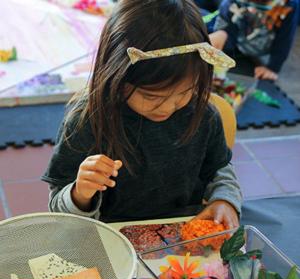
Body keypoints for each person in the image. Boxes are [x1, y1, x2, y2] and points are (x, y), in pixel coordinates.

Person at [42, 0, 242, 227]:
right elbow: (58, 210)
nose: (167, 108)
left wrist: (225, 200)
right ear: (116, 77)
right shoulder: (86, 120)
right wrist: (80, 194)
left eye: (185, 92)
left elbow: (219, 168)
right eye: (151, 97)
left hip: (181, 230)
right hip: (112, 234)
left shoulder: (203, 114)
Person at [209, 0, 299, 80]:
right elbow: (227, 23)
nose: (253, 10)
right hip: (237, 39)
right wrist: (223, 33)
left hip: (261, 44)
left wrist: (272, 68)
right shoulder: (230, 3)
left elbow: (284, 39)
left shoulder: (290, 6)